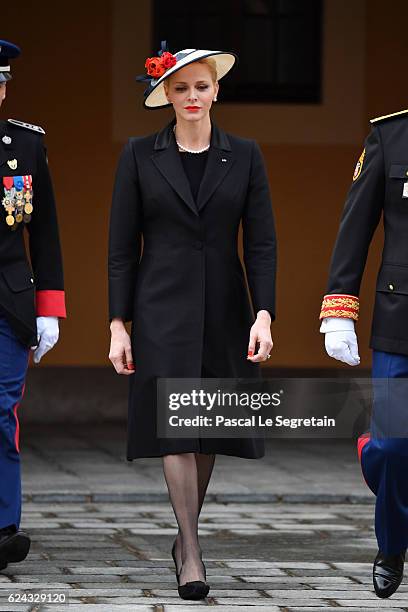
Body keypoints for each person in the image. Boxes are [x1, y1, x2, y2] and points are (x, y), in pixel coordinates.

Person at [108, 42, 276, 600]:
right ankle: (192, 549)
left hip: (226, 308)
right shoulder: (138, 154)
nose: (192, 97)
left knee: (205, 430)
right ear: (166, 97)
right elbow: (119, 248)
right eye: (181, 88)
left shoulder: (246, 154)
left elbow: (262, 246)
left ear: (216, 90)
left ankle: (185, 538)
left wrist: (264, 314)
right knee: (177, 425)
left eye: (201, 86)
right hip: (160, 308)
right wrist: (118, 323)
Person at [319, 108, 408, 599]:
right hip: (401, 315)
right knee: (394, 446)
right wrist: (339, 309)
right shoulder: (391, 137)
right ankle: (393, 545)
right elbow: (356, 226)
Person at [0, 40, 66, 570]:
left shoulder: (25, 146)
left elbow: (45, 233)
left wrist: (49, 307)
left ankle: (3, 526)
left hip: (8, 305)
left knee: (1, 413)